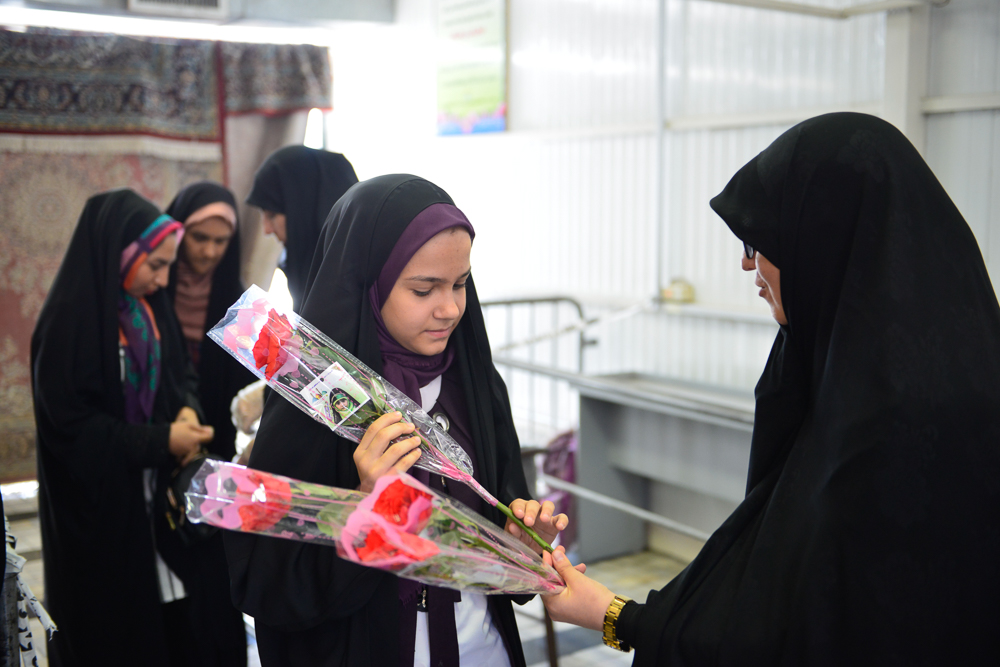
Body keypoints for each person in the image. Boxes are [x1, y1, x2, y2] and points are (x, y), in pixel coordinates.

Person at [539, 112, 1000, 664]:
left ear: (822, 239)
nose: (746, 263)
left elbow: (806, 637)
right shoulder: (848, 369)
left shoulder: (897, 424)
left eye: (759, 241)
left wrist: (617, 616)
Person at [225, 174, 568, 667]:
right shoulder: (312, 397)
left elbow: (503, 536)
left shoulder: (474, 387)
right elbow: (270, 584)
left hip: (482, 649)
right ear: (368, 284)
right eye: (424, 290)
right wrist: (364, 503)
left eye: (460, 284)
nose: (449, 309)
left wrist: (519, 545)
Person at [31, 190, 215, 666]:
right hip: (99, 515)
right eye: (155, 265)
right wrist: (161, 440)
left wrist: (186, 410)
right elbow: (72, 431)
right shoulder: (67, 325)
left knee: (173, 630)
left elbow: (181, 375)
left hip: (155, 509)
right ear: (121, 253)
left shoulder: (150, 310)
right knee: (112, 635)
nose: (163, 279)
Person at [164, 181, 252, 667]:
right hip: (160, 450)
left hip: (217, 459)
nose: (210, 252)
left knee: (214, 589)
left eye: (221, 241)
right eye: (200, 238)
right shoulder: (152, 292)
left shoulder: (236, 301)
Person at [245, 145, 359, 309]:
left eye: (272, 215)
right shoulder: (303, 271)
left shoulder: (356, 284)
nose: (267, 229)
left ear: (303, 209)